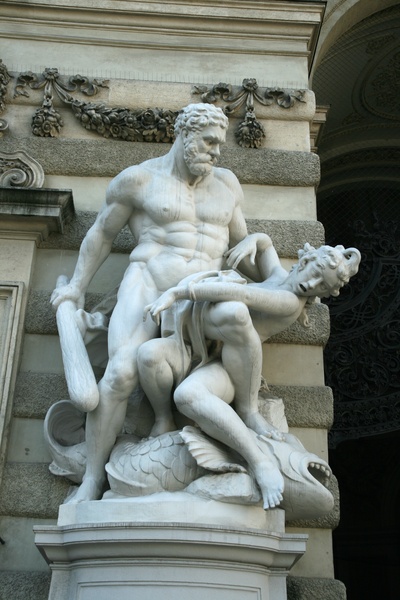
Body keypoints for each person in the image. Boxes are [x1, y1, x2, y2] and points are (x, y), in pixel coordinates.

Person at [50, 103, 260, 503]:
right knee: (119, 375)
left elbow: (241, 248)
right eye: (209, 142)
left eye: (220, 144)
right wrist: (76, 286)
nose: (216, 152)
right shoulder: (139, 179)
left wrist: (263, 250)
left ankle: (242, 424)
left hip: (200, 296)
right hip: (148, 285)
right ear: (184, 135)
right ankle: (92, 479)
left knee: (234, 329)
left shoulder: (228, 185)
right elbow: (101, 234)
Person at [140, 238, 360, 508]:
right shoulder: (278, 277)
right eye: (316, 274)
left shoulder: (290, 302)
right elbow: (266, 246)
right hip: (200, 346)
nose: (312, 285)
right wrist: (253, 240)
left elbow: (240, 295)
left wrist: (178, 292)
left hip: (234, 369)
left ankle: (258, 456)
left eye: (323, 287)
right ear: (305, 261)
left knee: (189, 392)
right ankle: (163, 419)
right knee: (148, 355)